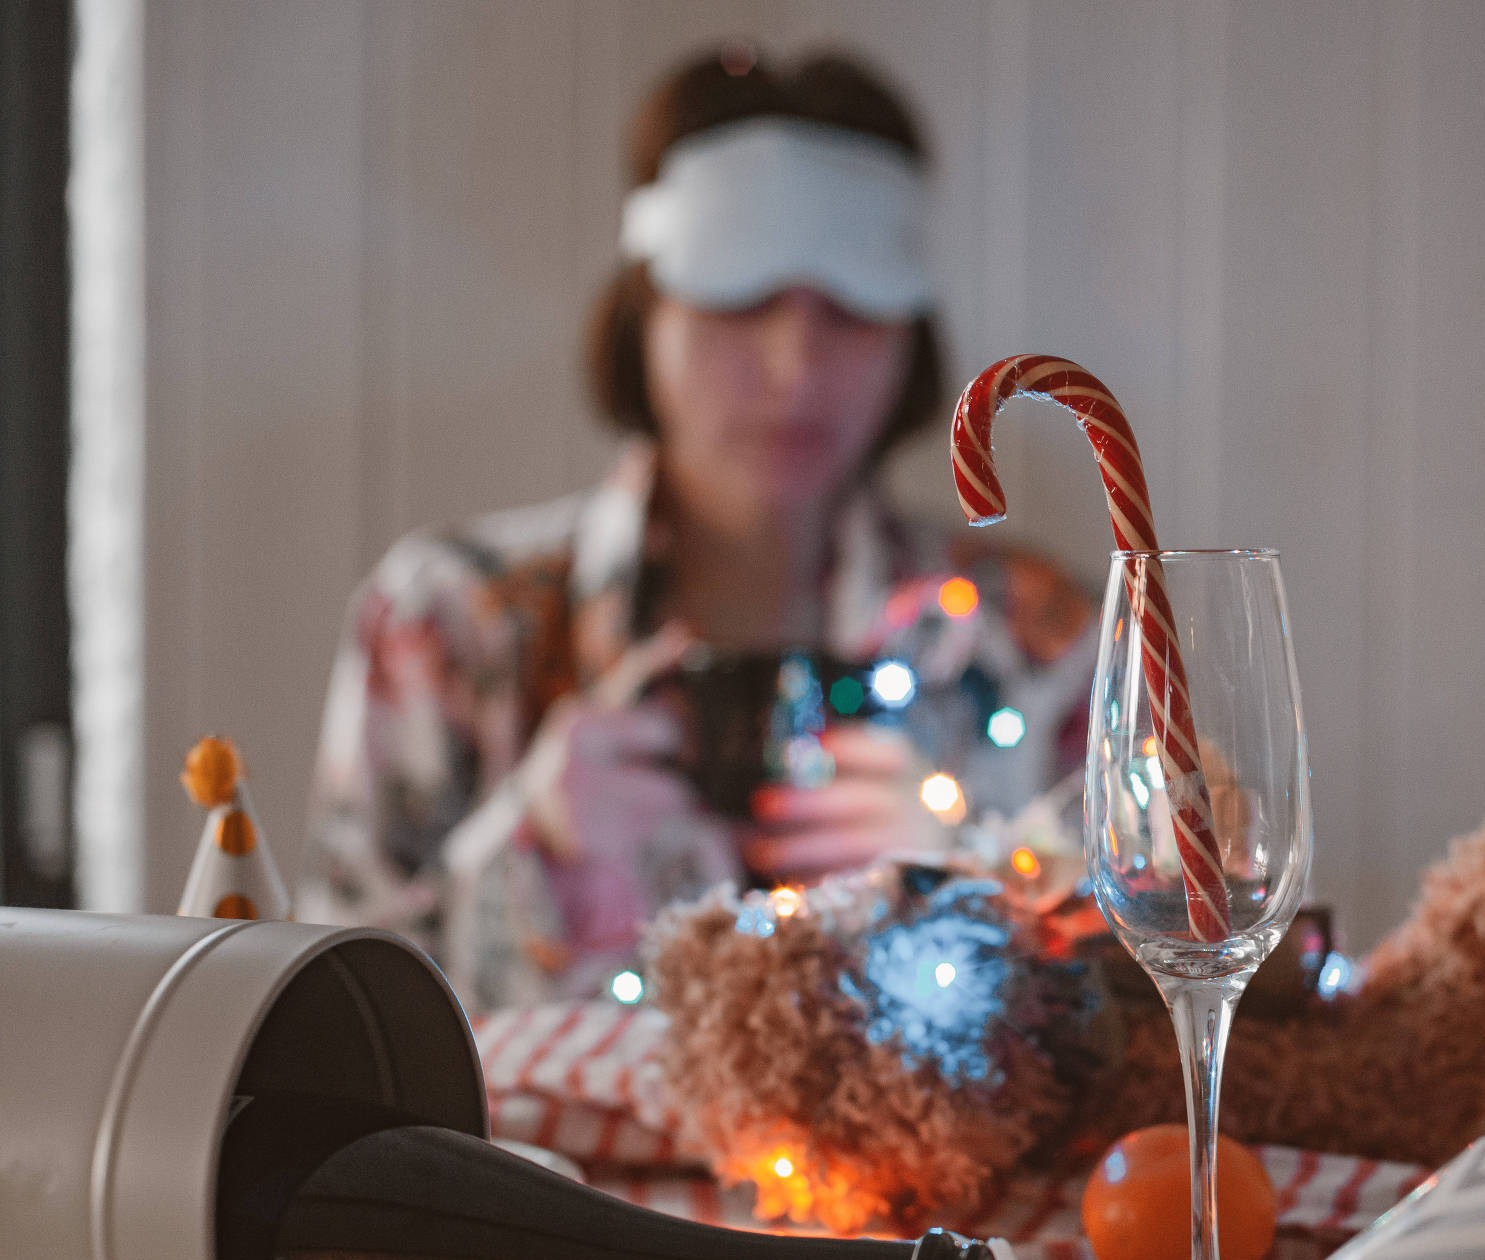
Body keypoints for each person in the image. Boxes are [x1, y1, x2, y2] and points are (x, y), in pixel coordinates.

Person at [297, 47, 1094, 1011]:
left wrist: (967, 888)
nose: (796, 366)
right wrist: (528, 852)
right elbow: (334, 1021)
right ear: (646, 316)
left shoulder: (1038, 639)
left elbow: (1141, 1024)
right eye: (741, 300)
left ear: (911, 338)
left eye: (854, 311)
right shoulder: (448, 621)